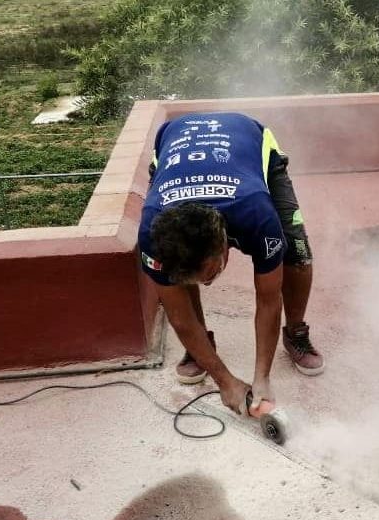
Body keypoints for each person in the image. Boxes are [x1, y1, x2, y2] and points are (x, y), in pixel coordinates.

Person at [138, 112, 323, 416]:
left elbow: (268, 299)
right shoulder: (151, 232)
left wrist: (261, 378)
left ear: (225, 245)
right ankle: (201, 347)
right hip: (175, 147)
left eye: (210, 274)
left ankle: (296, 333)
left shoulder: (258, 216)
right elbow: (179, 318)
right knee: (182, 286)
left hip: (249, 141)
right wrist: (224, 381)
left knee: (297, 255)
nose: (208, 283)